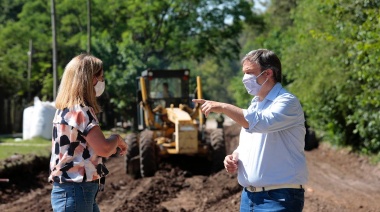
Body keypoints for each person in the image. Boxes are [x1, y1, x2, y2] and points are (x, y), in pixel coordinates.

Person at [193, 49, 308, 212]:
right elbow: (250, 142)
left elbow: (261, 124)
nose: (245, 78)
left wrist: (224, 107)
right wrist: (234, 157)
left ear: (268, 73)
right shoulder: (256, 104)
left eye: (249, 72)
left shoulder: (287, 102)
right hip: (249, 198)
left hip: (279, 197)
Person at [48, 53, 128, 212]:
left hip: (74, 191)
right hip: (76, 191)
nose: (102, 82)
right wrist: (117, 139)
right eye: (101, 77)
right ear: (89, 79)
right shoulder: (81, 112)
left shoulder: (65, 110)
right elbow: (104, 149)